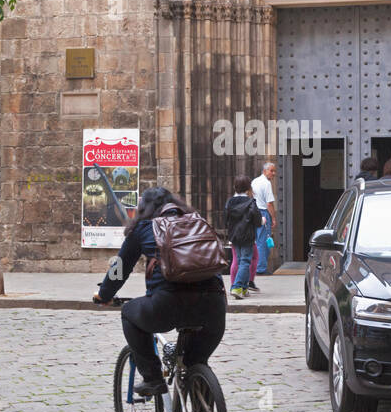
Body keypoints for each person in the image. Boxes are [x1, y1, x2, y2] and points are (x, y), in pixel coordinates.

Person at [92, 186, 226, 397]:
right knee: (196, 363)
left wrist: (104, 295)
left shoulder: (145, 228)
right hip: (214, 305)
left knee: (128, 312)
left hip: (169, 304)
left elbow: (119, 269)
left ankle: (153, 379)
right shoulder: (197, 222)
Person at [224, 175, 260, 300]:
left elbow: (226, 219)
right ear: (248, 188)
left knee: (239, 261)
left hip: (234, 235)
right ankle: (237, 286)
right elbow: (258, 221)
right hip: (247, 235)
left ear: (235, 187)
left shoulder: (230, 202)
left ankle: (244, 288)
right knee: (245, 261)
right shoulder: (251, 202)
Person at [251, 162, 277, 278]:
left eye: (274, 171)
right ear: (265, 171)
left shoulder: (255, 181)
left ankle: (256, 265)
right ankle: (261, 268)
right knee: (263, 240)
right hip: (262, 212)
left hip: (253, 212)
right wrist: (273, 218)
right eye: (271, 171)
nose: (273, 173)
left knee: (256, 240)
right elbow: (269, 203)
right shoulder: (266, 183)